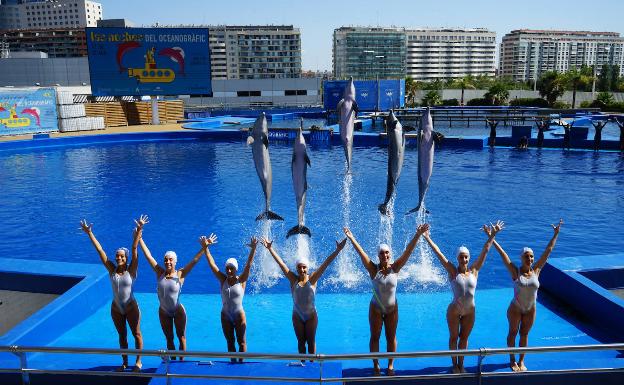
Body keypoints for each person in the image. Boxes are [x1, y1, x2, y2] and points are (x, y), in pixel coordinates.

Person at [343, 224, 428, 376]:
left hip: (392, 309)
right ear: (378, 256)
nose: (385, 256)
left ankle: (390, 364)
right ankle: (376, 364)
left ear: (390, 254)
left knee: (391, 337)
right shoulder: (372, 269)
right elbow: (361, 253)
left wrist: (418, 235)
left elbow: (408, 251)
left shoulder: (396, 268)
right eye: (382, 254)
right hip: (376, 308)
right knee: (375, 337)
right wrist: (351, 238)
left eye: (387, 253)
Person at [422, 221, 504, 373]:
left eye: (466, 257)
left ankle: (462, 364)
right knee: (454, 337)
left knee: (464, 338)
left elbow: (485, 250)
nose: (464, 260)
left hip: (470, 311)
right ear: (457, 258)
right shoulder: (453, 271)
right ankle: (454, 365)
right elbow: (439, 254)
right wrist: (427, 238)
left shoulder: (474, 271)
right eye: (461, 257)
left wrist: (493, 235)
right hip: (454, 310)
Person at [487, 219, 563, 372]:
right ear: (521, 258)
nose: (530, 259)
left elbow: (548, 250)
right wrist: (492, 237)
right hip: (515, 308)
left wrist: (555, 234)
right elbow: (503, 255)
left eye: (531, 256)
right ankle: (512, 360)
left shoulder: (537, 271)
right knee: (513, 333)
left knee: (524, 334)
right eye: (527, 256)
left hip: (530, 309)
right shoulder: (515, 272)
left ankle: (521, 360)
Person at [80, 215, 148, 372]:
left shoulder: (131, 271)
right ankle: (124, 362)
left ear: (126, 258)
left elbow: (134, 249)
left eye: (122, 256)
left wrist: (139, 230)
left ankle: (138, 361)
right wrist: (89, 233)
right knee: (122, 336)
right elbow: (100, 250)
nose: (119, 258)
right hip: (116, 308)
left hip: (131, 307)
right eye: (117, 256)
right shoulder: (111, 269)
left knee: (136, 333)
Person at [260, 236, 347, 357]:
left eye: (304, 267)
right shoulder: (293, 279)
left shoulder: (313, 279)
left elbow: (326, 263)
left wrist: (338, 250)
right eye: (299, 267)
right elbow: (281, 264)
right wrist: (270, 249)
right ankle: (302, 364)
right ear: (296, 268)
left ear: (307, 268)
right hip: (297, 316)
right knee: (301, 342)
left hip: (311, 316)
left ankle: (312, 364)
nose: (302, 269)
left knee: (311, 342)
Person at [139, 232, 206, 359]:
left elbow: (194, 261)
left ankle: (181, 363)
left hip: (178, 311)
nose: (167, 261)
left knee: (181, 337)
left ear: (175, 261)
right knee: (169, 339)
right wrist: (140, 237)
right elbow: (148, 256)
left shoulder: (180, 274)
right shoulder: (159, 272)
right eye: (166, 259)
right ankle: (173, 362)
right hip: (163, 311)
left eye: (170, 259)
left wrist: (204, 248)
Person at [203, 234, 257, 362]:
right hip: (225, 315)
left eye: (231, 268)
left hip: (239, 315)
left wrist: (253, 249)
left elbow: (249, 265)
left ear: (236, 269)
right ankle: (232, 365)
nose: (228, 271)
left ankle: (241, 365)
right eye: (227, 268)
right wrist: (206, 248)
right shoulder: (223, 280)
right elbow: (212, 265)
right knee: (230, 341)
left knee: (241, 342)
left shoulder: (242, 280)